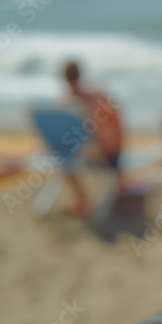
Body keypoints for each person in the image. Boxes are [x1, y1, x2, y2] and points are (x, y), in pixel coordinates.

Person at [62, 60, 126, 214]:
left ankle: (81, 198)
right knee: (68, 152)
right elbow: (116, 129)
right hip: (105, 154)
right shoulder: (95, 97)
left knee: (64, 153)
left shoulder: (67, 102)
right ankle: (83, 198)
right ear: (79, 75)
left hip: (95, 153)